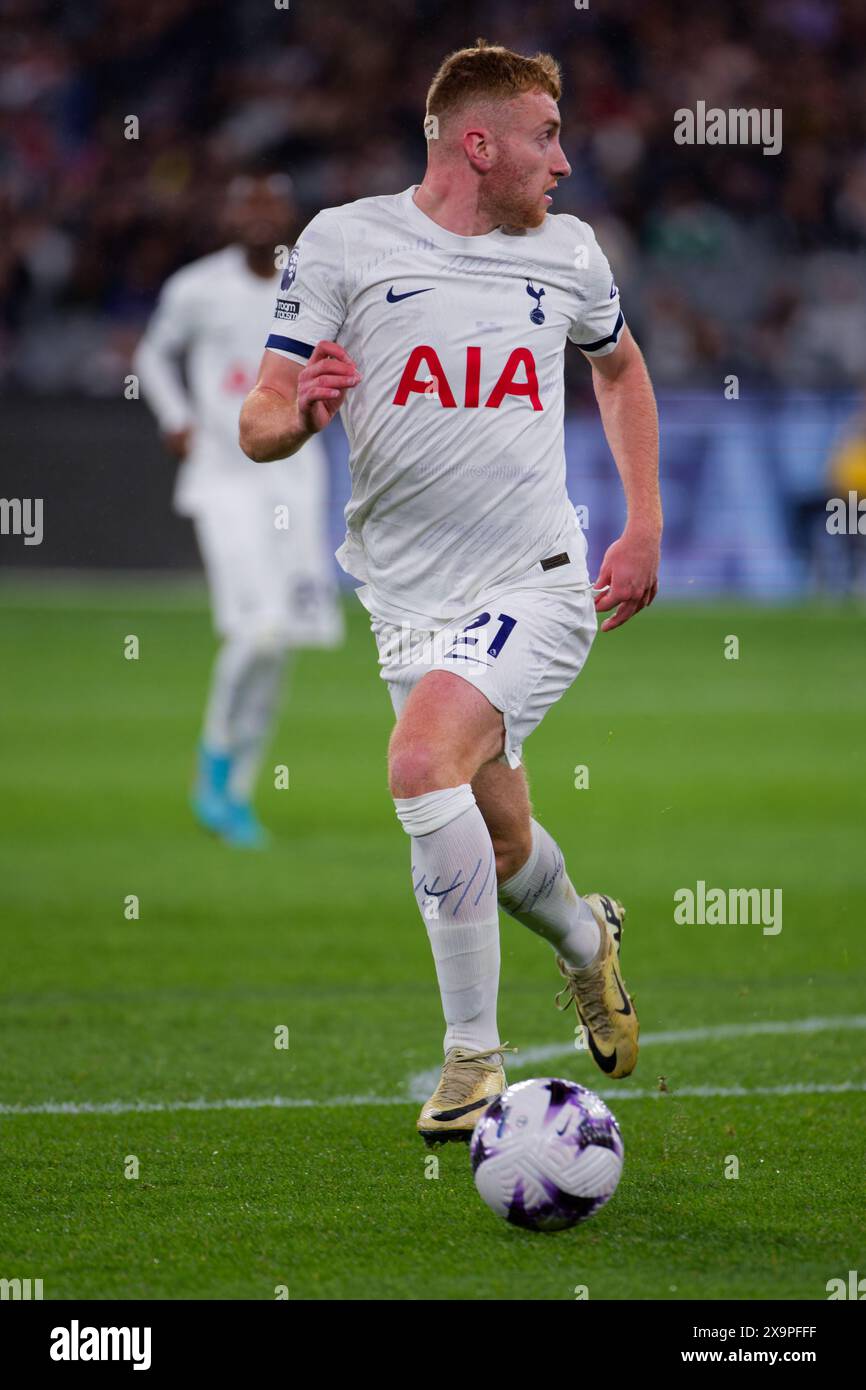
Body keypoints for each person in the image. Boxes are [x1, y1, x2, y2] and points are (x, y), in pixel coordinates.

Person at [240, 41, 661, 1139]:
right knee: (502, 841)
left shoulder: (569, 253)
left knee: (419, 763)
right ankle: (585, 941)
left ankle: (472, 1058)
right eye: (544, 138)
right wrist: (303, 417)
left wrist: (643, 523)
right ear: (478, 144)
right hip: (405, 603)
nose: (562, 163)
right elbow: (260, 416)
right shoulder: (344, 242)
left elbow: (617, 369)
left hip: (536, 580)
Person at [134, 173, 343, 848]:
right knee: (257, 631)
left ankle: (239, 793)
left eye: (270, 204)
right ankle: (214, 762)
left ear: (289, 214)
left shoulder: (312, 286)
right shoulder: (197, 288)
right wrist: (175, 418)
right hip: (223, 481)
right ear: (228, 214)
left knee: (283, 643)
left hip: (295, 481)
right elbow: (151, 355)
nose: (258, 216)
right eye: (245, 203)